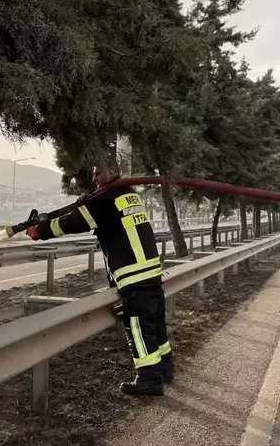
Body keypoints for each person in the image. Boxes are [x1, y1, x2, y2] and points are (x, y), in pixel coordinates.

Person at [26, 163, 173, 396]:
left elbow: (71, 223)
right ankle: (165, 370)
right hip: (151, 273)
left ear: (113, 172)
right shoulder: (128, 195)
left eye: (98, 173)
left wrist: (40, 231)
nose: (94, 178)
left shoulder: (104, 199)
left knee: (138, 329)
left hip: (133, 275)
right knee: (156, 326)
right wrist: (89, 201)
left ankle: (149, 380)